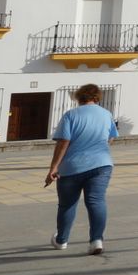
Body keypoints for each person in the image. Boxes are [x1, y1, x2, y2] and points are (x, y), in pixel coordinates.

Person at [45, 84, 117, 255]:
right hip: (102, 164)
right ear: (97, 97)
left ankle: (62, 240)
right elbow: (110, 138)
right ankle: (96, 240)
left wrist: (53, 167)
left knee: (67, 205)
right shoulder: (106, 114)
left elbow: (63, 142)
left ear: (79, 97)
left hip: (72, 167)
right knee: (96, 201)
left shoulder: (70, 115)